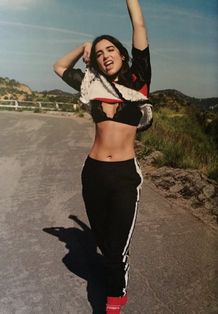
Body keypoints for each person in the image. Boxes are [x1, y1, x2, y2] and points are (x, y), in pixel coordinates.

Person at [53, 1, 152, 313]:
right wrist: (82, 45)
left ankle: (114, 298)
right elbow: (59, 67)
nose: (104, 55)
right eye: (98, 53)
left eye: (110, 49)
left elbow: (138, 25)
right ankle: (113, 267)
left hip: (124, 176)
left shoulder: (139, 78)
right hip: (93, 173)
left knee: (116, 248)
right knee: (105, 240)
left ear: (122, 54)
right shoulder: (90, 83)